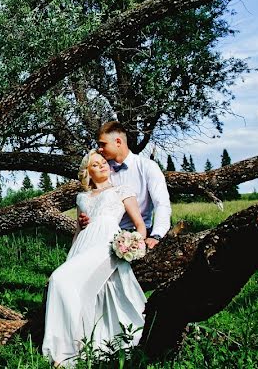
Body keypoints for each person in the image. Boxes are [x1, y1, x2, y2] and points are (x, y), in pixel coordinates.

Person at [41, 150, 148, 366]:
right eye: (95, 165)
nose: (102, 166)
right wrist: (71, 251)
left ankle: (71, 350)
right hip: (83, 245)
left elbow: (140, 225)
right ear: (87, 173)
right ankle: (69, 351)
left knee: (60, 280)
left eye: (103, 162)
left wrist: (134, 243)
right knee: (71, 287)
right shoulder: (82, 197)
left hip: (107, 245)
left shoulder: (122, 190)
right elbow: (79, 230)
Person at [81, 121, 172, 249]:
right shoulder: (103, 171)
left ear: (118, 142)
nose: (99, 149)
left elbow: (161, 203)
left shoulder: (147, 166)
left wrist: (157, 235)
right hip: (106, 236)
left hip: (140, 233)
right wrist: (87, 219)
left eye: (103, 144)